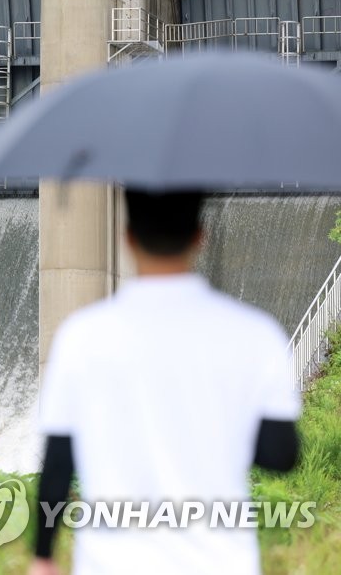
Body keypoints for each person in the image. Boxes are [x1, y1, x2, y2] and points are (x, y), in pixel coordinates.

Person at [29, 189, 301, 575]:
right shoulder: (255, 335)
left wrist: (43, 556)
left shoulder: (83, 337)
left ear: (127, 237)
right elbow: (281, 456)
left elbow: (58, 461)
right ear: (199, 236)